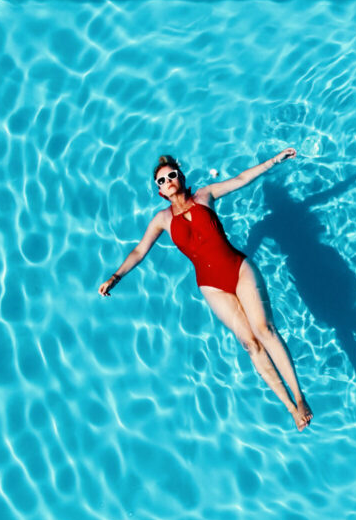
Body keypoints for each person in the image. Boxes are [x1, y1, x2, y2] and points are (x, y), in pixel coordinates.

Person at [98, 150, 313, 431]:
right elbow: (139, 251)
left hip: (238, 269)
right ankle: (290, 408)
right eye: (161, 181)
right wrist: (116, 277)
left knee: (264, 329)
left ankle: (300, 397)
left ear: (181, 176)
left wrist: (274, 161)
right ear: (160, 191)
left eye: (172, 175)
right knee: (250, 344)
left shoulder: (205, 195)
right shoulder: (162, 220)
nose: (168, 181)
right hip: (212, 285)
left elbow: (242, 178)